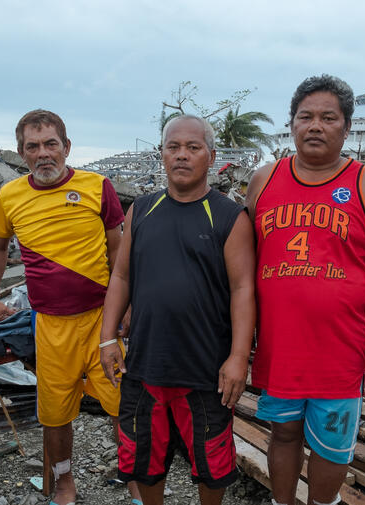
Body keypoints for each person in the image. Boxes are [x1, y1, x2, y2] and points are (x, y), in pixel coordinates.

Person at [246, 75, 365, 505]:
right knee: (283, 432)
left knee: (332, 444)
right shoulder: (263, 180)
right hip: (279, 343)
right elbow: (241, 267)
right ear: (292, 125)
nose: (315, 126)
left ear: (346, 127)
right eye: (305, 117)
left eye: (328, 118)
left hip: (339, 346)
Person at [0, 109, 141, 505]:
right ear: (22, 153)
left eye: (51, 144)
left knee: (123, 406)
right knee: (55, 415)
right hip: (50, 326)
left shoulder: (97, 186)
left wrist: (125, 306)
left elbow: (118, 248)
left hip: (101, 323)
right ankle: (65, 484)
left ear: (66, 147)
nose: (43, 153)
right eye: (33, 146)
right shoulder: (10, 196)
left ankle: (137, 482)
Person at [99, 114, 255, 505]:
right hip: (145, 365)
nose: (182, 155)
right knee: (145, 462)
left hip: (205, 371)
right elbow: (121, 277)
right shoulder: (142, 210)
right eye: (173, 147)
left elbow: (243, 290)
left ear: (211, 156)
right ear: (162, 154)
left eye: (192, 147)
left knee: (212, 467)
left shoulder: (229, 216)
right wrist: (107, 338)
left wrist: (238, 357)